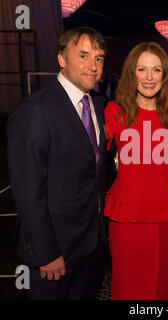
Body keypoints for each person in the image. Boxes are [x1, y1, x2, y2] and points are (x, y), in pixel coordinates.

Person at [7, 26, 107, 300]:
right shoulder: (35, 111)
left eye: (98, 58)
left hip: (88, 246)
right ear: (62, 59)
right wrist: (47, 253)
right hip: (53, 254)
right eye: (84, 56)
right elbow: (28, 193)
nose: (93, 66)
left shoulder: (97, 105)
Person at [104, 41, 168, 300]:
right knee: (130, 281)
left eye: (156, 70)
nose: (149, 77)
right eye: (142, 70)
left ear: (165, 75)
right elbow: (91, 157)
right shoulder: (114, 112)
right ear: (132, 73)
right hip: (126, 213)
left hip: (166, 211)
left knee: (166, 282)